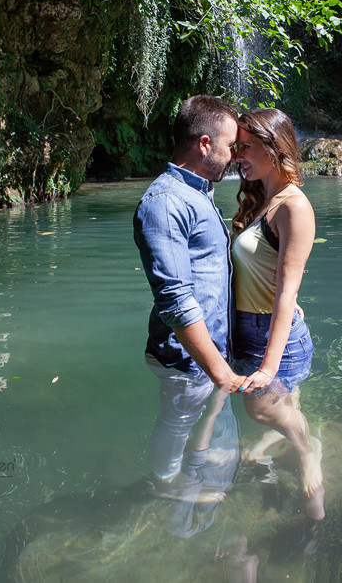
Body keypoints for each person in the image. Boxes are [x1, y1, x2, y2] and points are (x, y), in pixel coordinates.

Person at [134, 95, 246, 499]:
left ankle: (189, 486)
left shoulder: (197, 193)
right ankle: (164, 489)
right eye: (231, 145)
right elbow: (176, 302)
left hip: (207, 357)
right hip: (188, 362)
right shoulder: (166, 203)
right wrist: (221, 373)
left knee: (196, 430)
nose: (235, 155)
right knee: (178, 424)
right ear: (204, 144)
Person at [231, 107, 324, 520]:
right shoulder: (263, 200)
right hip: (250, 326)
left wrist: (268, 368)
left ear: (275, 146)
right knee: (283, 402)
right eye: (235, 147)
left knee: (261, 406)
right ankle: (281, 438)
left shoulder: (294, 206)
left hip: (273, 333)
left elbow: (288, 292)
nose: (237, 155)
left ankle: (309, 450)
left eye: (246, 147)